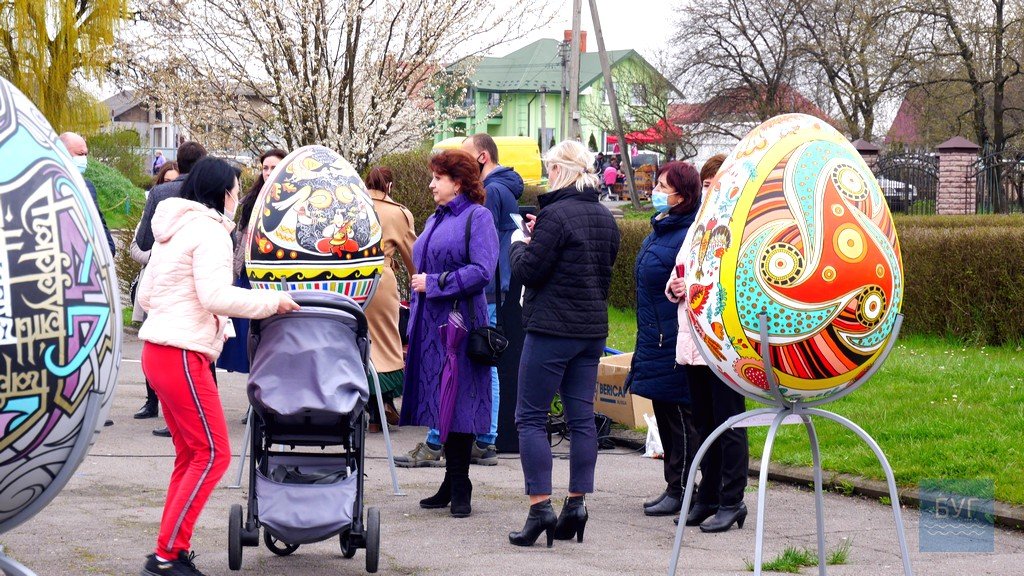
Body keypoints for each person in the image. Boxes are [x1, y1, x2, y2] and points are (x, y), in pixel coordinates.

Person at [137, 156, 299, 576]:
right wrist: (271, 302)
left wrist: (193, 316)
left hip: (158, 349)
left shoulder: (174, 228)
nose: (237, 197)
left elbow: (146, 297)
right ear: (221, 192)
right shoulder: (210, 232)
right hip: (181, 352)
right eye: (235, 190)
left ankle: (168, 550)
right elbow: (214, 295)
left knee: (192, 454)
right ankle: (167, 556)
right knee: (213, 454)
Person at [508, 140, 620, 547]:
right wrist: (542, 234)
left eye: (549, 168)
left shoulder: (554, 216)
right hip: (590, 331)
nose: (546, 174)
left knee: (530, 417)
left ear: (560, 170)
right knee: (581, 420)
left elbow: (530, 272)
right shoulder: (605, 217)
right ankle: (576, 503)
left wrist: (519, 243)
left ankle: (540, 507)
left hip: (551, 330)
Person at [399, 149, 498, 519]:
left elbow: (483, 270)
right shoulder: (435, 218)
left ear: (458, 182)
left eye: (437, 178)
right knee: (441, 399)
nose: (430, 184)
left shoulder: (478, 217)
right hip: (431, 326)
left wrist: (435, 282)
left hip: (460, 325)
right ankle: (450, 481)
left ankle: (461, 482)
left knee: (460, 399)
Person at [666, 152, 749, 532]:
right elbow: (681, 269)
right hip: (694, 341)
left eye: (716, 184)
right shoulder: (700, 223)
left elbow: (736, 280)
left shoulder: (739, 225)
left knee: (729, 423)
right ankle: (707, 496)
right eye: (707, 184)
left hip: (724, 341)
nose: (710, 190)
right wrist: (676, 286)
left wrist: (698, 288)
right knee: (704, 422)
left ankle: (733, 499)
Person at [628, 162, 703, 518]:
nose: (655, 191)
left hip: (673, 337)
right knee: (665, 411)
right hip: (655, 335)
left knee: (678, 416)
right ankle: (675, 485)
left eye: (662, 186)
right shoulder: (662, 228)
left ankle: (683, 488)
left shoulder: (689, 233)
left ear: (682, 196)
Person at [135, 141, 208, 437]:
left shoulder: (161, 193)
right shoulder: (208, 193)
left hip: (164, 281)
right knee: (200, 353)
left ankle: (166, 410)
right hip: (198, 283)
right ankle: (200, 412)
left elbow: (143, 240)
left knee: (163, 347)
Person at [218, 148, 288, 380]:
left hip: (277, 277)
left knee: (273, 337)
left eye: (274, 167)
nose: (268, 172)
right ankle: (255, 388)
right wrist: (233, 272)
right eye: (265, 168)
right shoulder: (251, 199)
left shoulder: (293, 200)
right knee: (248, 337)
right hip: (248, 274)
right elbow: (239, 238)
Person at [363, 166, 416, 431]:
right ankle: (381, 408)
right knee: (385, 343)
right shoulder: (398, 213)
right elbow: (413, 257)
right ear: (390, 186)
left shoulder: (354, 205)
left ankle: (360, 404)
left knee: (355, 339)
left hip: (349, 280)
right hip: (380, 280)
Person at [132, 160, 179, 421]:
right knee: (152, 346)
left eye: (175, 182)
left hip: (175, 288)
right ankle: (151, 402)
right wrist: (155, 257)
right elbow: (135, 248)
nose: (170, 187)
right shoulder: (151, 212)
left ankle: (172, 405)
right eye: (166, 182)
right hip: (153, 284)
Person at [58, 132, 116, 257]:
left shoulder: (87, 187)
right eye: (80, 154)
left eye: (86, 154)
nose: (83, 159)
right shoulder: (48, 186)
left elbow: (98, 222)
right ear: (62, 153)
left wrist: (109, 249)